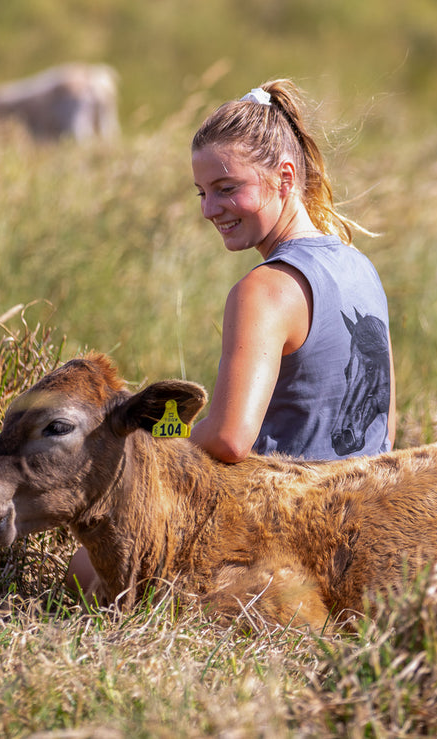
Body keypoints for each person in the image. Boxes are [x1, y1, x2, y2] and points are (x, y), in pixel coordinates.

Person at [66, 78, 397, 599]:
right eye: (202, 193)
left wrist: (151, 455)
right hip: (364, 518)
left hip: (285, 522)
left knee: (86, 569)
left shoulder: (264, 289)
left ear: (285, 177)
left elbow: (228, 438)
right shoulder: (361, 267)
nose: (208, 208)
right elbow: (386, 421)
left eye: (227, 188)